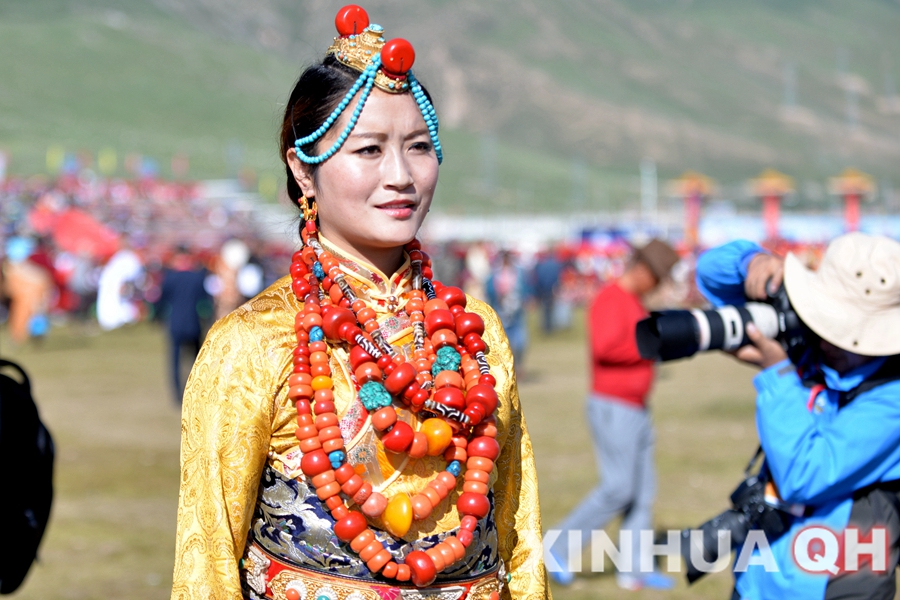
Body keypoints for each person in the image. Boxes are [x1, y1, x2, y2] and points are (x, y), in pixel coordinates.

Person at [171, 7, 549, 599]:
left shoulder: (478, 332)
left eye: (418, 147)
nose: (401, 175)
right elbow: (207, 557)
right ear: (303, 170)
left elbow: (518, 535)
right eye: (368, 150)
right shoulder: (254, 342)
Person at [694, 233, 900, 600]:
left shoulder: (892, 398)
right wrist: (753, 264)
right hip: (759, 579)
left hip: (836, 588)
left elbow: (803, 475)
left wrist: (780, 376)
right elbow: (710, 274)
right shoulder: (818, 352)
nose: (830, 340)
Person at [547, 238, 679, 591]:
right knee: (618, 487)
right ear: (645, 271)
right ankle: (556, 548)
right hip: (613, 405)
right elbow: (606, 347)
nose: (660, 286)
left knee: (643, 490)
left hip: (635, 406)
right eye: (660, 278)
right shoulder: (610, 298)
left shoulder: (634, 302)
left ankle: (634, 568)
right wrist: (651, 345)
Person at [157, 246, 211, 403]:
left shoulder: (170, 278)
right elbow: (206, 302)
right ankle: (197, 392)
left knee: (175, 361)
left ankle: (177, 395)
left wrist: (159, 318)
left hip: (175, 324)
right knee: (196, 362)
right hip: (193, 323)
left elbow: (161, 301)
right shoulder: (198, 277)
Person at [485, 250, 530, 368]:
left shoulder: (518, 272)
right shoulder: (495, 273)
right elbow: (489, 290)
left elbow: (525, 287)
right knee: (503, 341)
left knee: (520, 342)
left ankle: (519, 364)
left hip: (517, 310)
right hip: (501, 310)